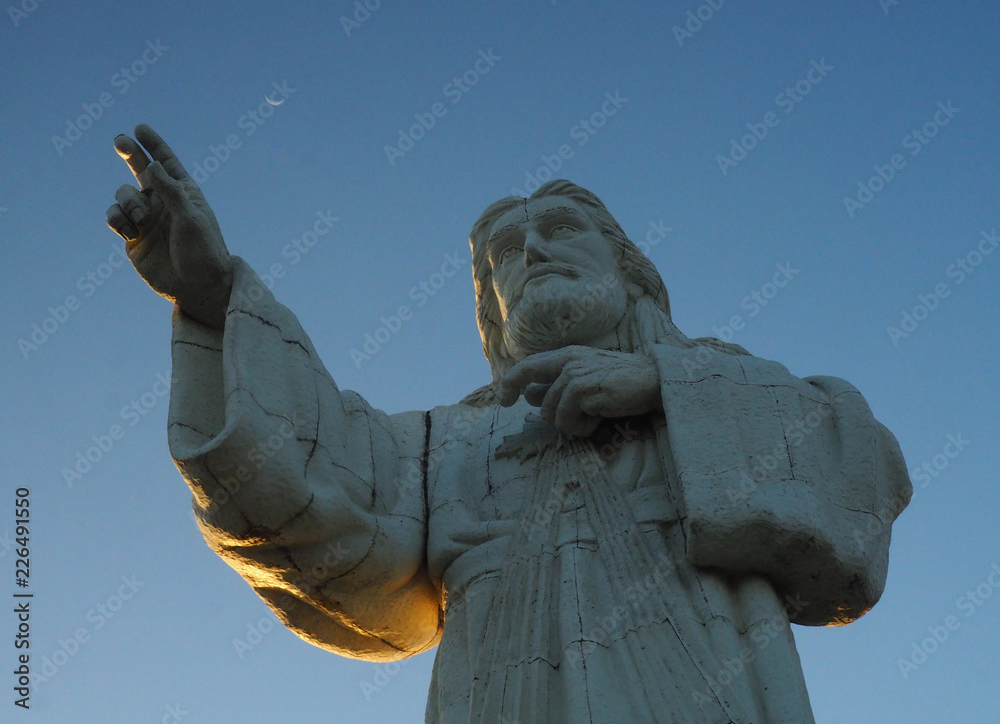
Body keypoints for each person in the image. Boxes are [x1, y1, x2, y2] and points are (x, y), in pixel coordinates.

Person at [107, 124, 911, 723]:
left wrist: (660, 387)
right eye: (505, 254)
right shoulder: (448, 445)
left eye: (560, 232)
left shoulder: (725, 387)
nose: (532, 254)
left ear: (631, 272)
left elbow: (859, 477)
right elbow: (310, 493)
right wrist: (214, 299)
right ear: (492, 309)